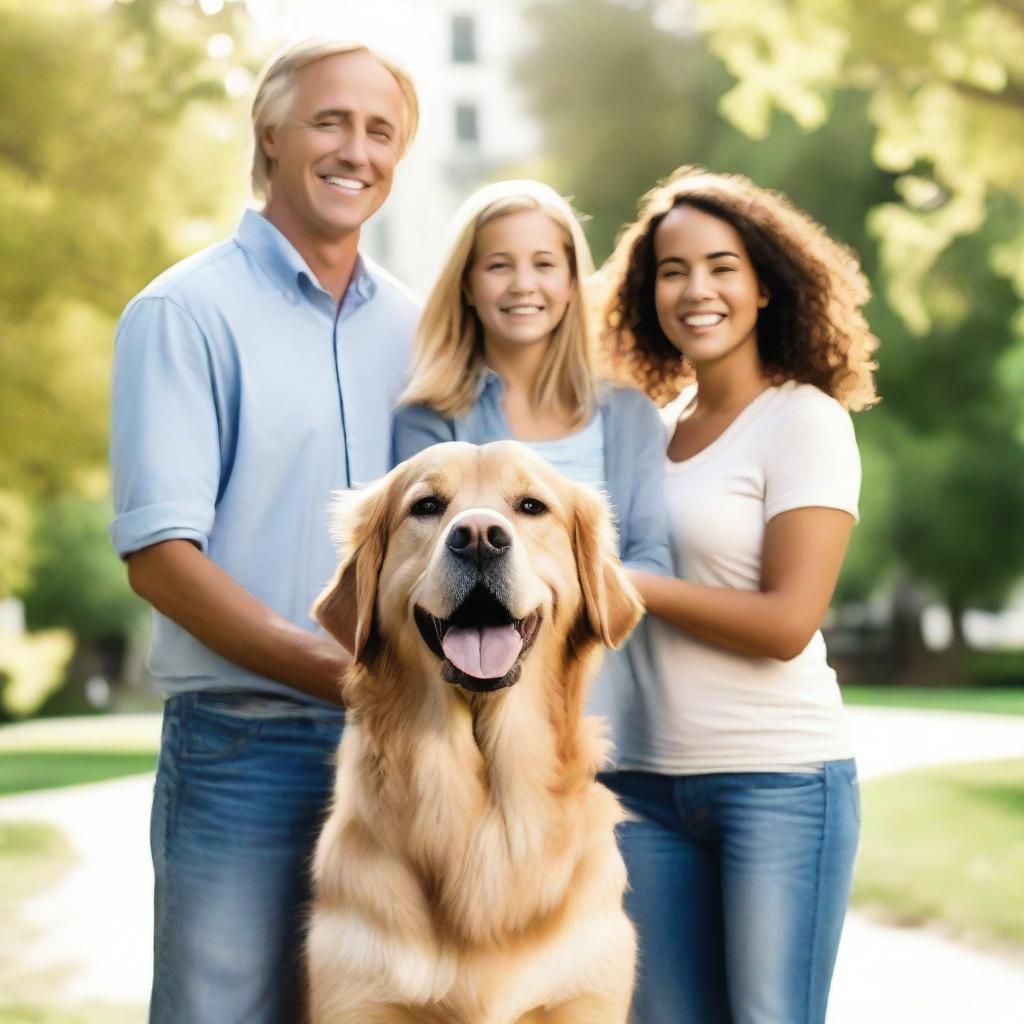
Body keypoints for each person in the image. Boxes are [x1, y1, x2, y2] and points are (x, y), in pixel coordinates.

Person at [108, 39, 419, 1023]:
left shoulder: (420, 332)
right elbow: (161, 560)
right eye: (330, 121)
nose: (354, 150)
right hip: (239, 749)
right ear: (273, 135)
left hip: (398, 761)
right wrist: (351, 676)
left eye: (379, 131)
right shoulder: (182, 312)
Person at [596, 166, 879, 1024]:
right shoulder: (646, 425)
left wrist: (631, 583)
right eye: (672, 270)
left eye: (722, 265)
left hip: (778, 782)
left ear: (764, 285)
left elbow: (789, 623)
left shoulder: (804, 421)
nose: (696, 289)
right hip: (642, 786)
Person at [392, 179, 671, 728]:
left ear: (571, 282)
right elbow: (422, 564)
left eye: (545, 264)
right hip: (473, 721)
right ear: (467, 284)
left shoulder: (631, 416)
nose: (524, 284)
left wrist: (550, 581)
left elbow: (652, 561)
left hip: (613, 720)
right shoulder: (429, 417)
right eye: (498, 265)